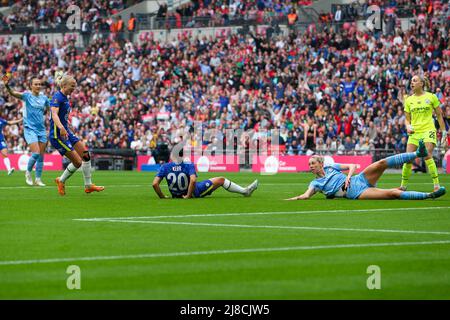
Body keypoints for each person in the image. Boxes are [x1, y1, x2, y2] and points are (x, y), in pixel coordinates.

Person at [285, 140, 446, 201]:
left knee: (382, 162)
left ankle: (418, 153)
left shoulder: (331, 167)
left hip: (358, 179)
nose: (310, 166)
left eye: (313, 163)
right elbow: (306, 196)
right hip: (356, 193)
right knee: (393, 194)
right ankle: (429, 195)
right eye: (310, 164)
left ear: (320, 163)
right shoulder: (315, 183)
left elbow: (353, 166)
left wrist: (348, 177)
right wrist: (291, 199)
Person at [50, 74, 104, 196]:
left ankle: (88, 185)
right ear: (64, 85)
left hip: (66, 132)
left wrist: (67, 124)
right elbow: (54, 115)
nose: (74, 88)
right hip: (57, 135)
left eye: (75, 86)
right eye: (72, 86)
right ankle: (61, 180)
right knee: (78, 162)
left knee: (86, 155)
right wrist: (61, 127)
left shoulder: (65, 97)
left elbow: (62, 116)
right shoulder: (57, 97)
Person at [400, 75, 448, 192]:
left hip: (428, 130)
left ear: (422, 84)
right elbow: (407, 118)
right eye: (411, 81)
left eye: (415, 80)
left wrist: (444, 132)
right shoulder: (409, 100)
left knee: (427, 155)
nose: (412, 83)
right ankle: (403, 186)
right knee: (408, 158)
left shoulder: (431, 97)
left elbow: (439, 115)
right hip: (415, 132)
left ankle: (436, 185)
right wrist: (408, 126)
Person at [2, 73, 49, 186]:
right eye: (35, 84)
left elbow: (47, 109)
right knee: (36, 153)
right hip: (30, 129)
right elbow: (13, 93)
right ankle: (28, 172)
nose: (38, 86)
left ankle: (38, 179)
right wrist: (7, 86)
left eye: (39, 84)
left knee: (41, 156)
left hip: (41, 129)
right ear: (31, 86)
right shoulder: (27, 96)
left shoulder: (44, 98)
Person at [152, 158, 258, 199]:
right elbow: (193, 180)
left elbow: (155, 184)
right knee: (221, 179)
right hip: (194, 192)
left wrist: (162, 196)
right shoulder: (188, 164)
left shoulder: (165, 166)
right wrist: (189, 195)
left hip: (176, 195)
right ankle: (245, 191)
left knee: (219, 179)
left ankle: (245, 191)